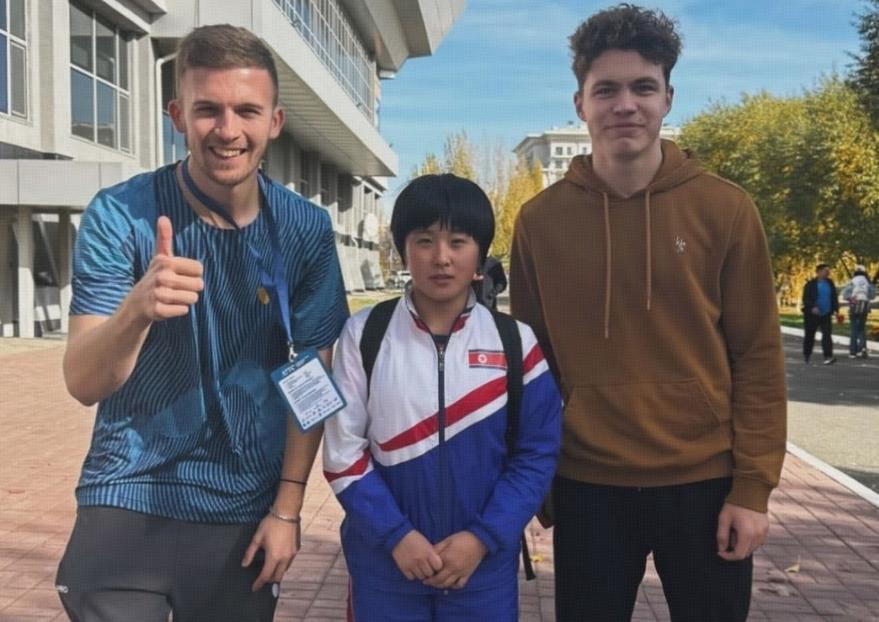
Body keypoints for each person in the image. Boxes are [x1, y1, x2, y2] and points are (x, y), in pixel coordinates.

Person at [56, 24, 348, 622]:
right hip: (127, 493)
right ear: (177, 116)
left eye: (247, 111)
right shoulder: (121, 215)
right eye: (207, 109)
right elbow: (83, 382)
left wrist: (288, 508)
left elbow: (314, 375)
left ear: (275, 121)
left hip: (243, 509)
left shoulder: (305, 229)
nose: (228, 129)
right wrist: (136, 310)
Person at [509, 5, 787, 621]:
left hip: (706, 483)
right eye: (606, 89)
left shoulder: (725, 209)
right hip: (588, 485)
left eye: (643, 87)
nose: (625, 105)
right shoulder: (540, 222)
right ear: (580, 104)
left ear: (668, 98)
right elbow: (532, 364)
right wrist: (538, 480)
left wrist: (753, 489)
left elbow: (758, 358)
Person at [323, 174, 561, 621]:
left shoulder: (516, 342)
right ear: (403, 248)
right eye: (425, 240)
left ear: (479, 253)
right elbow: (342, 453)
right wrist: (396, 536)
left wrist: (482, 538)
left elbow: (537, 454)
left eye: (458, 241)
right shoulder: (363, 334)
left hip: (482, 571)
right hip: (385, 566)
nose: (441, 258)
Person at [801, 263, 840, 365]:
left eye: (828, 271)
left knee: (827, 335)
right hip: (812, 315)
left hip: (826, 314)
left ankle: (828, 356)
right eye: (825, 271)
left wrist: (836, 309)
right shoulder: (810, 284)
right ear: (818, 272)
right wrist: (812, 307)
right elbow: (805, 299)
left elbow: (834, 297)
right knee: (810, 335)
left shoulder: (830, 283)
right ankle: (807, 354)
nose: (828, 273)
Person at [840, 264, 876, 358]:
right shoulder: (868, 282)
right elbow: (872, 295)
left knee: (854, 328)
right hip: (864, 307)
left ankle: (853, 352)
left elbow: (844, 295)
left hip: (854, 306)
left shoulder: (852, 282)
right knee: (861, 328)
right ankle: (863, 349)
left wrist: (851, 298)